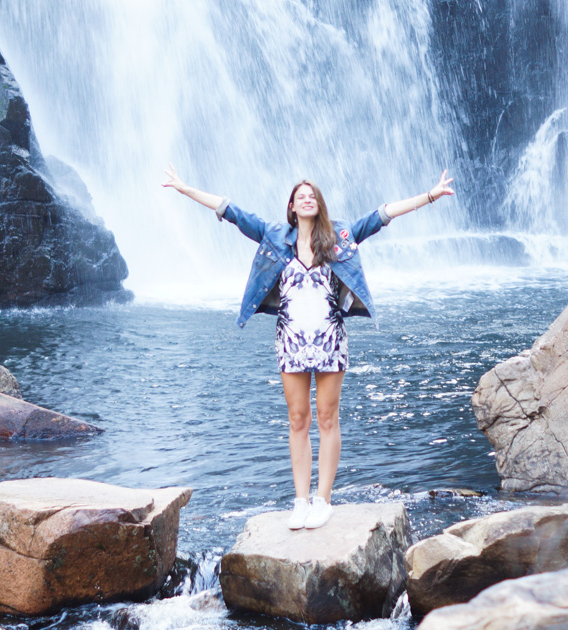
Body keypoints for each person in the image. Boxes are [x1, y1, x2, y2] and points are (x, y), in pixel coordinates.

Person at [163, 166, 454, 530]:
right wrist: (185, 188)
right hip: (291, 342)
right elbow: (230, 210)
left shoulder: (339, 237)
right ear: (291, 205)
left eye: (312, 195)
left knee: (327, 419)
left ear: (319, 204)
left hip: (330, 339)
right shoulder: (274, 237)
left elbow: (382, 215)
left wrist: (429, 195)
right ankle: (300, 501)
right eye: (300, 195)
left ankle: (324, 499)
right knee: (298, 420)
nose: (306, 198)